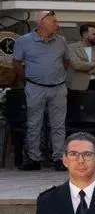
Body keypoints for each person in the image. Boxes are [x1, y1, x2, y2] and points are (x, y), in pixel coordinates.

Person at [13, 10, 69, 171]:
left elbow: (66, 62)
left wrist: (56, 75)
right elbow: (16, 64)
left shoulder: (61, 41)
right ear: (41, 23)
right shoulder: (24, 41)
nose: (57, 24)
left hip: (58, 87)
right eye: (53, 21)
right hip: (35, 87)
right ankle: (33, 158)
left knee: (58, 125)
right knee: (33, 124)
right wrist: (29, 79)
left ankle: (59, 158)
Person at [67, 24, 95, 92]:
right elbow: (76, 65)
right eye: (94, 34)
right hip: (79, 86)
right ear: (85, 35)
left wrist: (90, 71)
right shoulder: (72, 48)